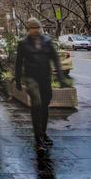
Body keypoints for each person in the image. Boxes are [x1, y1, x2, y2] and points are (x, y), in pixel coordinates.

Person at [15, 17, 65, 153]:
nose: (35, 30)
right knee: (36, 103)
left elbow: (55, 59)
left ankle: (43, 132)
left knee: (44, 105)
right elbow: (18, 63)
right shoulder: (23, 43)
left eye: (37, 28)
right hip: (31, 77)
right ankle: (38, 139)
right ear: (28, 30)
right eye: (32, 28)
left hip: (45, 78)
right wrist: (18, 80)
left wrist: (60, 77)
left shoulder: (47, 41)